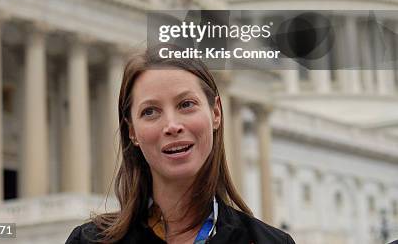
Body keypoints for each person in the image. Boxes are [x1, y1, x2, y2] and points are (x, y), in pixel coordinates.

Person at [65, 49, 296, 243]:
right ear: (132, 131)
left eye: (186, 104)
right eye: (150, 111)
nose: (172, 125)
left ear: (215, 112)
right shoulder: (88, 241)